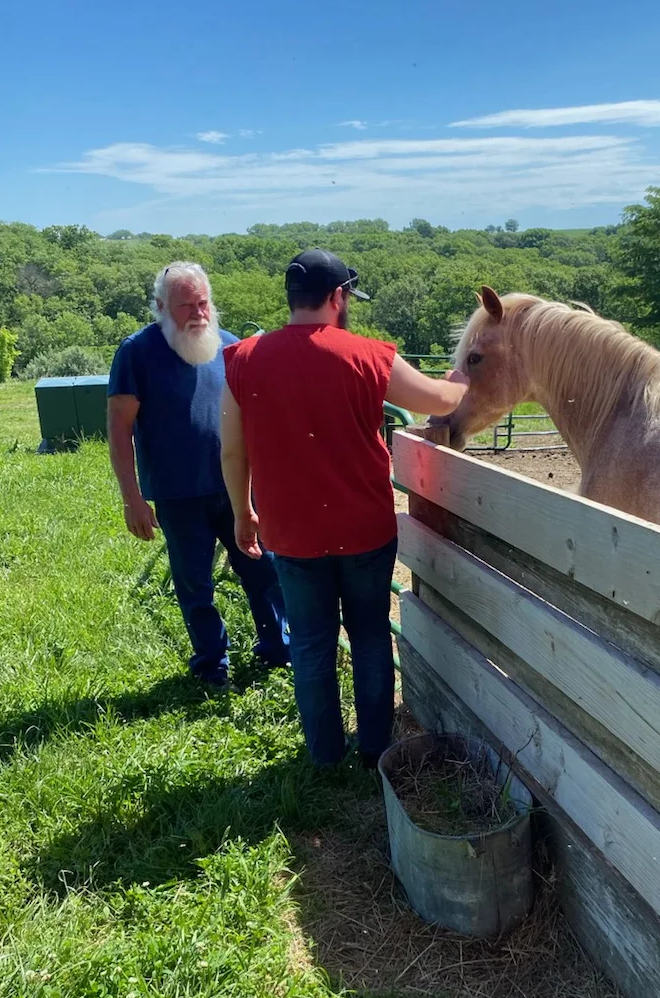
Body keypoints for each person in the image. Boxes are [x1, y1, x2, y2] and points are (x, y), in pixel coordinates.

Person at [220, 247, 467, 767]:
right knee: (372, 635)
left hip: (290, 533)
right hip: (364, 530)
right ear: (337, 297)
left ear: (292, 298)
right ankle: (375, 747)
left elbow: (232, 449)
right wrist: (461, 377)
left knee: (310, 645)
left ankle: (324, 755)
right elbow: (437, 401)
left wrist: (243, 513)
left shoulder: (243, 358)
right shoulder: (368, 355)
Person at [107, 261, 289, 688]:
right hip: (177, 494)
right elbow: (118, 429)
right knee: (195, 582)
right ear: (160, 307)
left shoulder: (231, 347)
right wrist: (132, 498)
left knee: (264, 570)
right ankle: (212, 662)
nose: (197, 313)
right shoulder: (137, 352)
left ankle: (278, 649)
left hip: (238, 488)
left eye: (203, 302)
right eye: (185, 304)